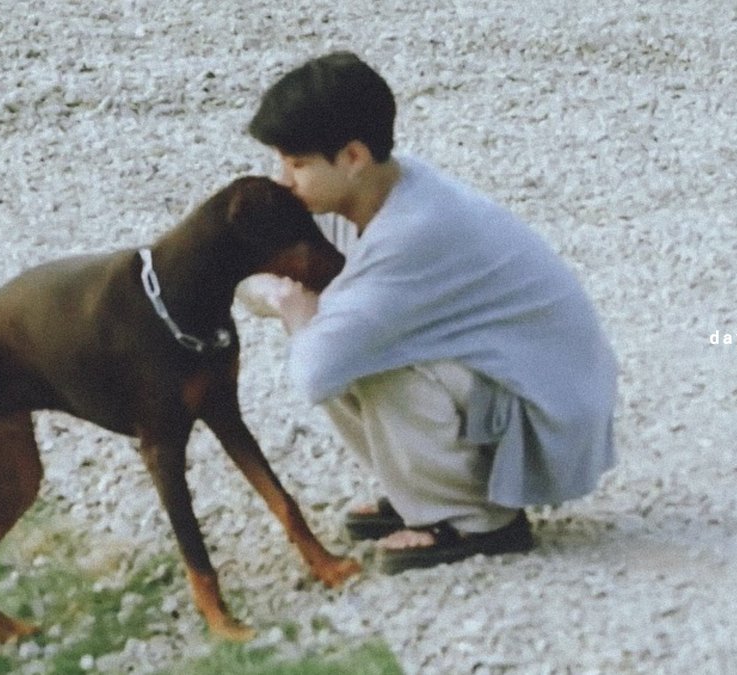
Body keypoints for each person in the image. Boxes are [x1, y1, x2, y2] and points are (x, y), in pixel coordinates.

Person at [238, 51, 618, 574]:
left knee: (362, 359)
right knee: (344, 339)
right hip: (513, 381)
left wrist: (291, 304)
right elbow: (247, 269)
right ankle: (422, 491)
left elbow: (311, 376)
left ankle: (477, 519)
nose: (282, 180)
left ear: (352, 156)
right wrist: (291, 302)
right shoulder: (371, 194)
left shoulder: (412, 232)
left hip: (547, 416)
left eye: (297, 163)